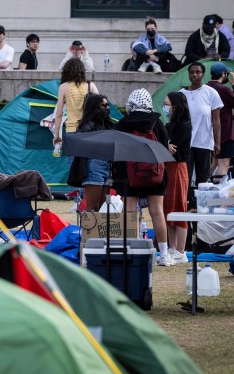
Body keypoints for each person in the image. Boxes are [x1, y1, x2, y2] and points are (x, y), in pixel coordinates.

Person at [114, 89, 172, 265]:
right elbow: (164, 148)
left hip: (129, 174)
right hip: (155, 173)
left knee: (129, 212)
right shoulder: (157, 122)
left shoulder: (124, 123)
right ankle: (164, 254)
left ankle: (130, 249)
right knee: (157, 212)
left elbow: (117, 150)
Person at [180, 61, 223, 187]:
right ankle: (187, 199)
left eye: (198, 72)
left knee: (203, 178)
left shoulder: (211, 92)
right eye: (192, 72)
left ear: (203, 74)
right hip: (186, 143)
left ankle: (201, 200)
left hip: (204, 142)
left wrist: (217, 143)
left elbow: (216, 120)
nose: (194, 75)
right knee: (185, 177)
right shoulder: (181, 94)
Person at [162, 91, 193, 264]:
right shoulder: (170, 125)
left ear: (175, 106)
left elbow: (172, 148)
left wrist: (166, 145)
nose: (164, 107)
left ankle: (181, 250)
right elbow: (166, 146)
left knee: (179, 208)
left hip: (177, 168)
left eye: (166, 104)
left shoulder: (184, 125)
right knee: (168, 209)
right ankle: (172, 248)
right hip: (168, 167)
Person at [73, 93, 115, 214]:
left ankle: (100, 227)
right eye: (104, 105)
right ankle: (91, 227)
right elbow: (79, 140)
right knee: (93, 209)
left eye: (108, 105)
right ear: (95, 107)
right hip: (94, 166)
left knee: (104, 209)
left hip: (108, 167)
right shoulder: (88, 124)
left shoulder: (109, 124)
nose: (107, 108)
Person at [52, 57, 98, 149]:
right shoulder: (91, 85)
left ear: (66, 71)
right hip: (89, 129)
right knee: (87, 156)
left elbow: (59, 113)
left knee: (72, 157)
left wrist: (56, 135)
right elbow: (102, 106)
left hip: (71, 129)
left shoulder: (63, 87)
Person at [206, 62, 234, 179]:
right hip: (225, 132)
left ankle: (203, 183)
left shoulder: (205, 88)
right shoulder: (223, 89)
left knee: (213, 163)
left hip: (209, 132)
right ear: (223, 74)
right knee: (224, 164)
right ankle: (219, 188)